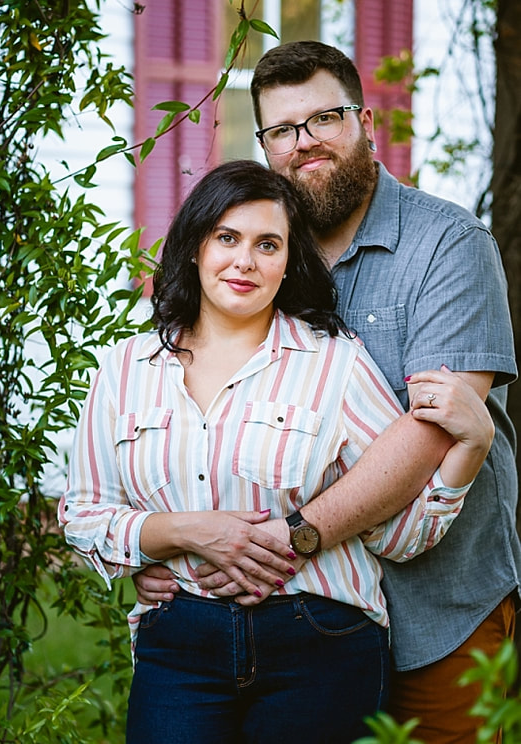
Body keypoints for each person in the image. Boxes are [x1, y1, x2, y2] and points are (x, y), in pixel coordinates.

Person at [135, 41, 520, 743]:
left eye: (323, 120)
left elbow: (433, 430)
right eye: (282, 131)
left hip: (439, 609)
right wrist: (178, 552)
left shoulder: (447, 246)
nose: (303, 144)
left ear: (366, 122)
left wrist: (293, 536)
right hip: (304, 625)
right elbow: (202, 410)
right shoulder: (260, 256)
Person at [60, 159, 493, 743]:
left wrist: (470, 447)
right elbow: (84, 516)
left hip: (319, 638)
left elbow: (396, 535)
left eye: (268, 244)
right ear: (194, 247)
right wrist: (181, 532)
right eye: (227, 238)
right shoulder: (125, 369)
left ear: (289, 263)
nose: (244, 261)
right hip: (180, 643)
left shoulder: (335, 364)